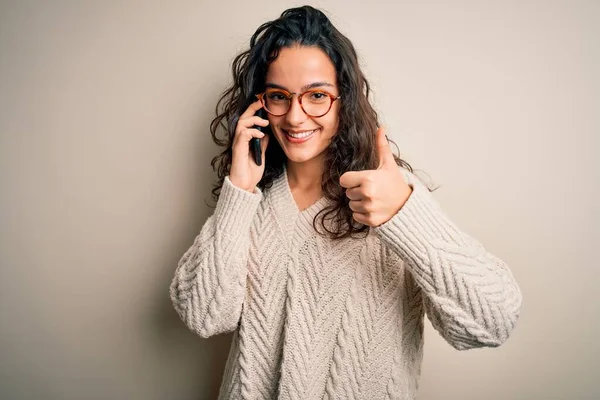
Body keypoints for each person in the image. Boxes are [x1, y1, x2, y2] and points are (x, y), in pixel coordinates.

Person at [170, 5, 522, 400]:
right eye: (279, 96)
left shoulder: (389, 196)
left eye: (317, 95)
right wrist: (239, 190)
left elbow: (492, 322)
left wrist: (405, 215)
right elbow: (203, 315)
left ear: (345, 99)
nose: (296, 117)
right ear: (260, 104)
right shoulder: (251, 200)